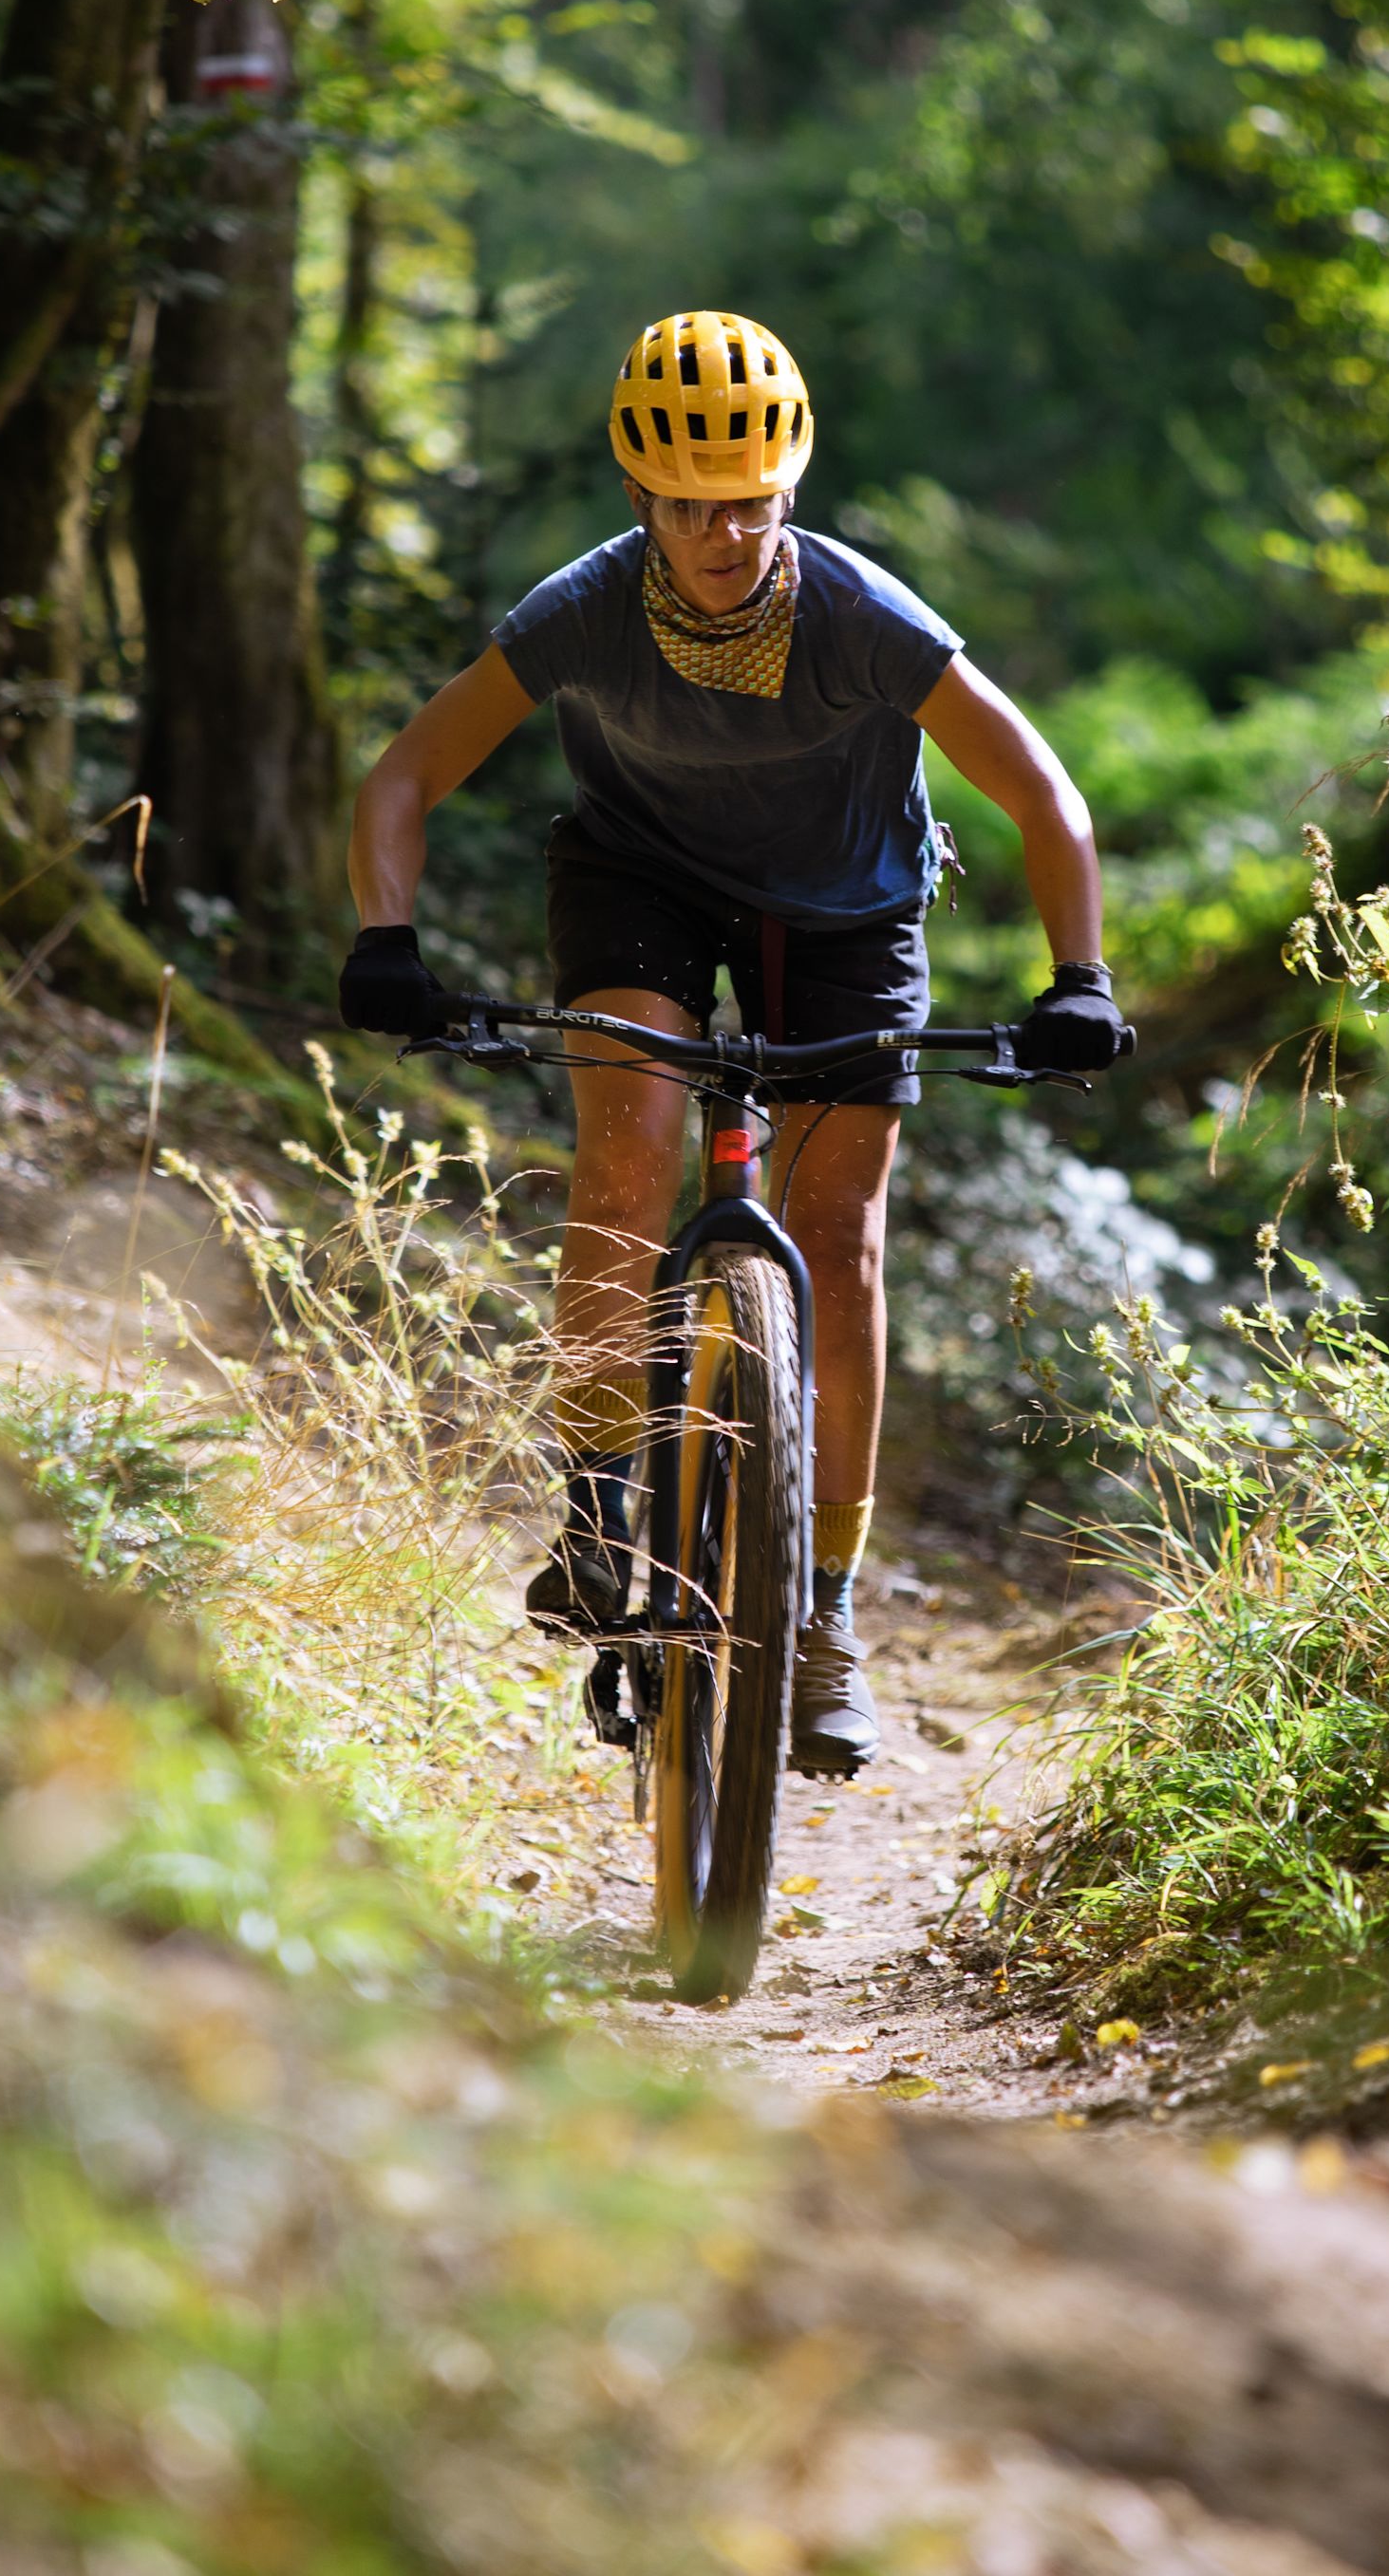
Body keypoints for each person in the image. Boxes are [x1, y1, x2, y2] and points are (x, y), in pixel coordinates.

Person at [338, 309, 1130, 1779]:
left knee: (842, 1236)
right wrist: (386, 939)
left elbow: (1042, 792)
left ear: (791, 490)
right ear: (641, 499)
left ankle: (821, 1616)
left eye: (753, 503)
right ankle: (600, 1513)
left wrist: (1079, 975)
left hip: (848, 912)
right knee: (629, 1154)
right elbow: (405, 778)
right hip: (639, 885)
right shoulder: (586, 609)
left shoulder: (867, 619)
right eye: (692, 505)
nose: (725, 533)